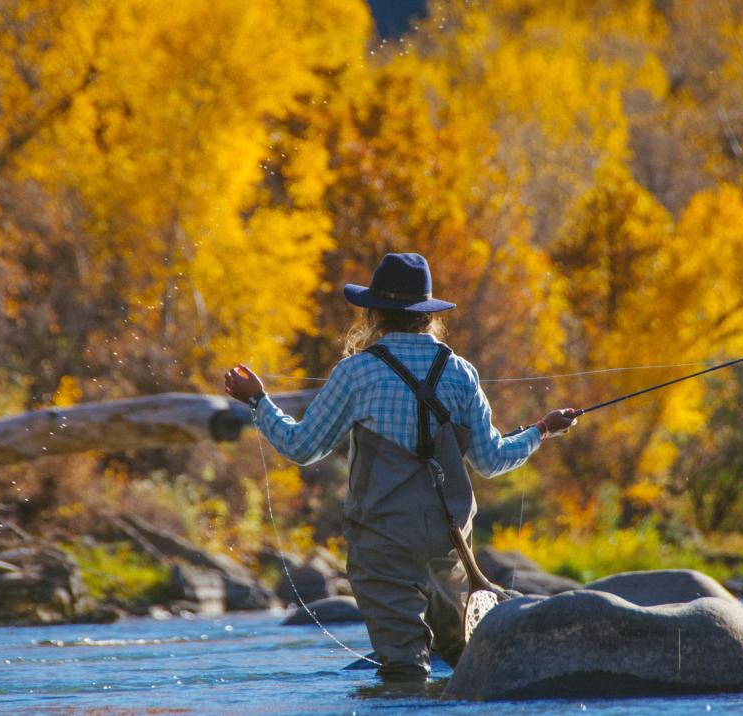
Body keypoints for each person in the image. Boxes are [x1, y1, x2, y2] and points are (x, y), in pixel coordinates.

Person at [224, 252, 577, 682]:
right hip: (449, 546)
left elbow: (303, 448)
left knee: (404, 670)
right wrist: (541, 430)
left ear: (373, 314)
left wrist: (258, 402)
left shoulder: (356, 373)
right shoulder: (461, 373)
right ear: (427, 316)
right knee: (463, 663)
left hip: (382, 541)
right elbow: (492, 460)